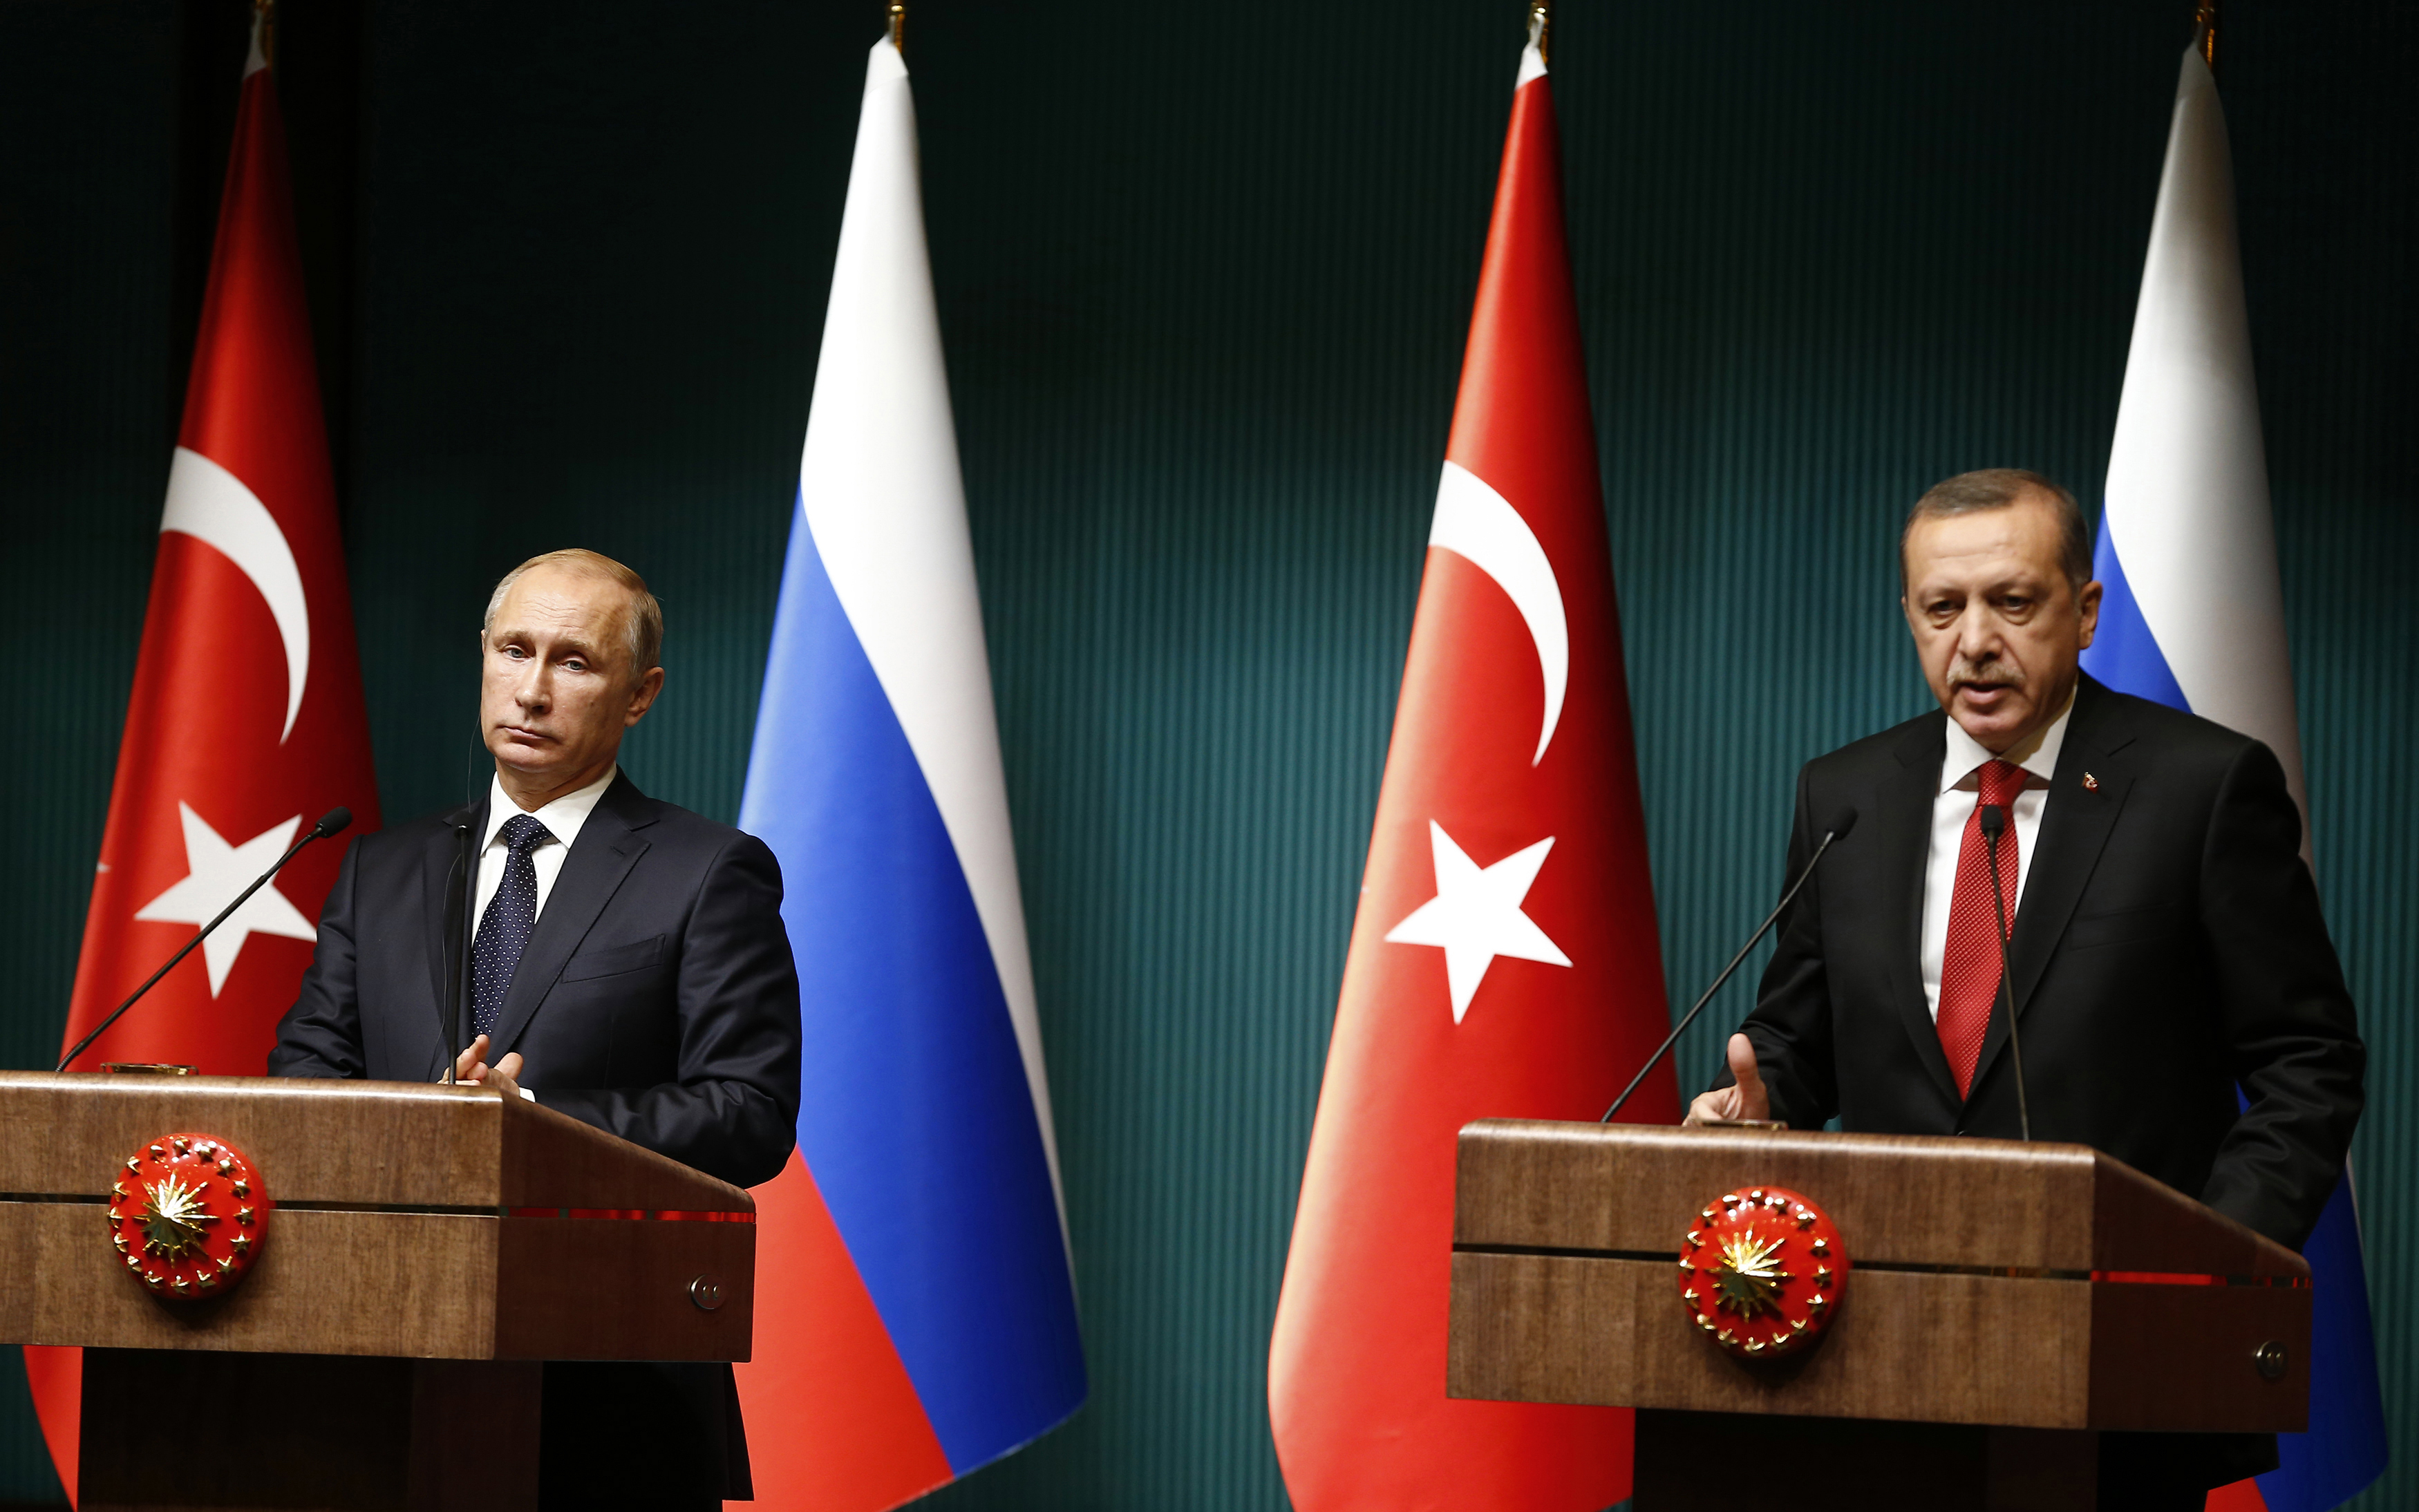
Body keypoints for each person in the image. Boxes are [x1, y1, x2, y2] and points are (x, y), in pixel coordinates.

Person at [1686, 469, 2363, 1507]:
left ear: (2084, 613)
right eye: (1942, 609)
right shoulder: (1846, 794)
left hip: (2119, 1366)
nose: (1975, 642)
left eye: (2012, 602)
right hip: (1874, 1355)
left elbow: (2307, 1063)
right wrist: (1760, 1098)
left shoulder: (2204, 786)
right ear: (1909, 617)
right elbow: (1800, 1037)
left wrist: (2207, 1259)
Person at [272, 548, 802, 1509]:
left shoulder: (708, 872)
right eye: (514, 651)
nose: (532, 690)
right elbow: (304, 1081)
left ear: (640, 696)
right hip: (378, 1370)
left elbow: (748, 1113)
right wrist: (418, 1124)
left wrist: (537, 1118)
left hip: (612, 1387)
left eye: (575, 662)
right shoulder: (378, 869)